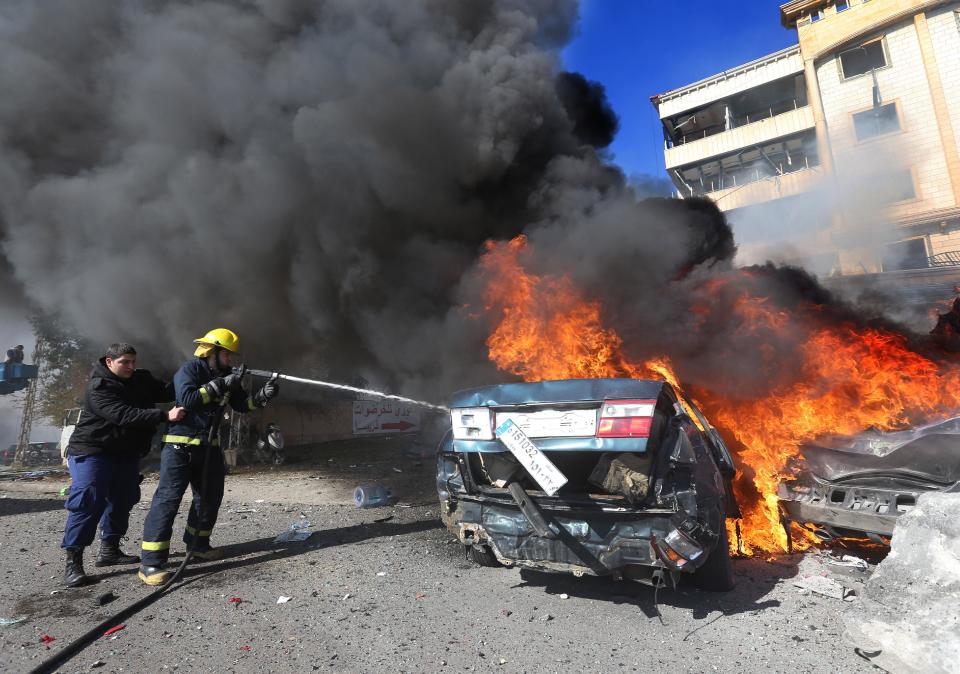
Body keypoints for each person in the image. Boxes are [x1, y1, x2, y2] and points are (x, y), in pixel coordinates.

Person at [138, 328, 279, 585]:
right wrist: (218, 385)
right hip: (179, 448)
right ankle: (151, 562)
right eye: (227, 355)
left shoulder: (226, 375)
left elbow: (241, 405)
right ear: (211, 351)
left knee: (210, 497)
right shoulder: (190, 370)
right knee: (168, 500)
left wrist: (262, 397)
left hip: (209, 447)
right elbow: (188, 399)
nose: (231, 361)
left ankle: (199, 545)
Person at [61, 343, 184, 587]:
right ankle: (73, 562)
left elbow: (169, 392)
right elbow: (123, 415)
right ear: (109, 361)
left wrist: (193, 373)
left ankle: (110, 549)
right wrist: (164, 416)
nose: (130, 367)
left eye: (132, 362)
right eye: (124, 362)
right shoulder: (99, 387)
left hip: (125, 454)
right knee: (88, 499)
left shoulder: (141, 380)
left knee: (124, 497)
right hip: (93, 451)